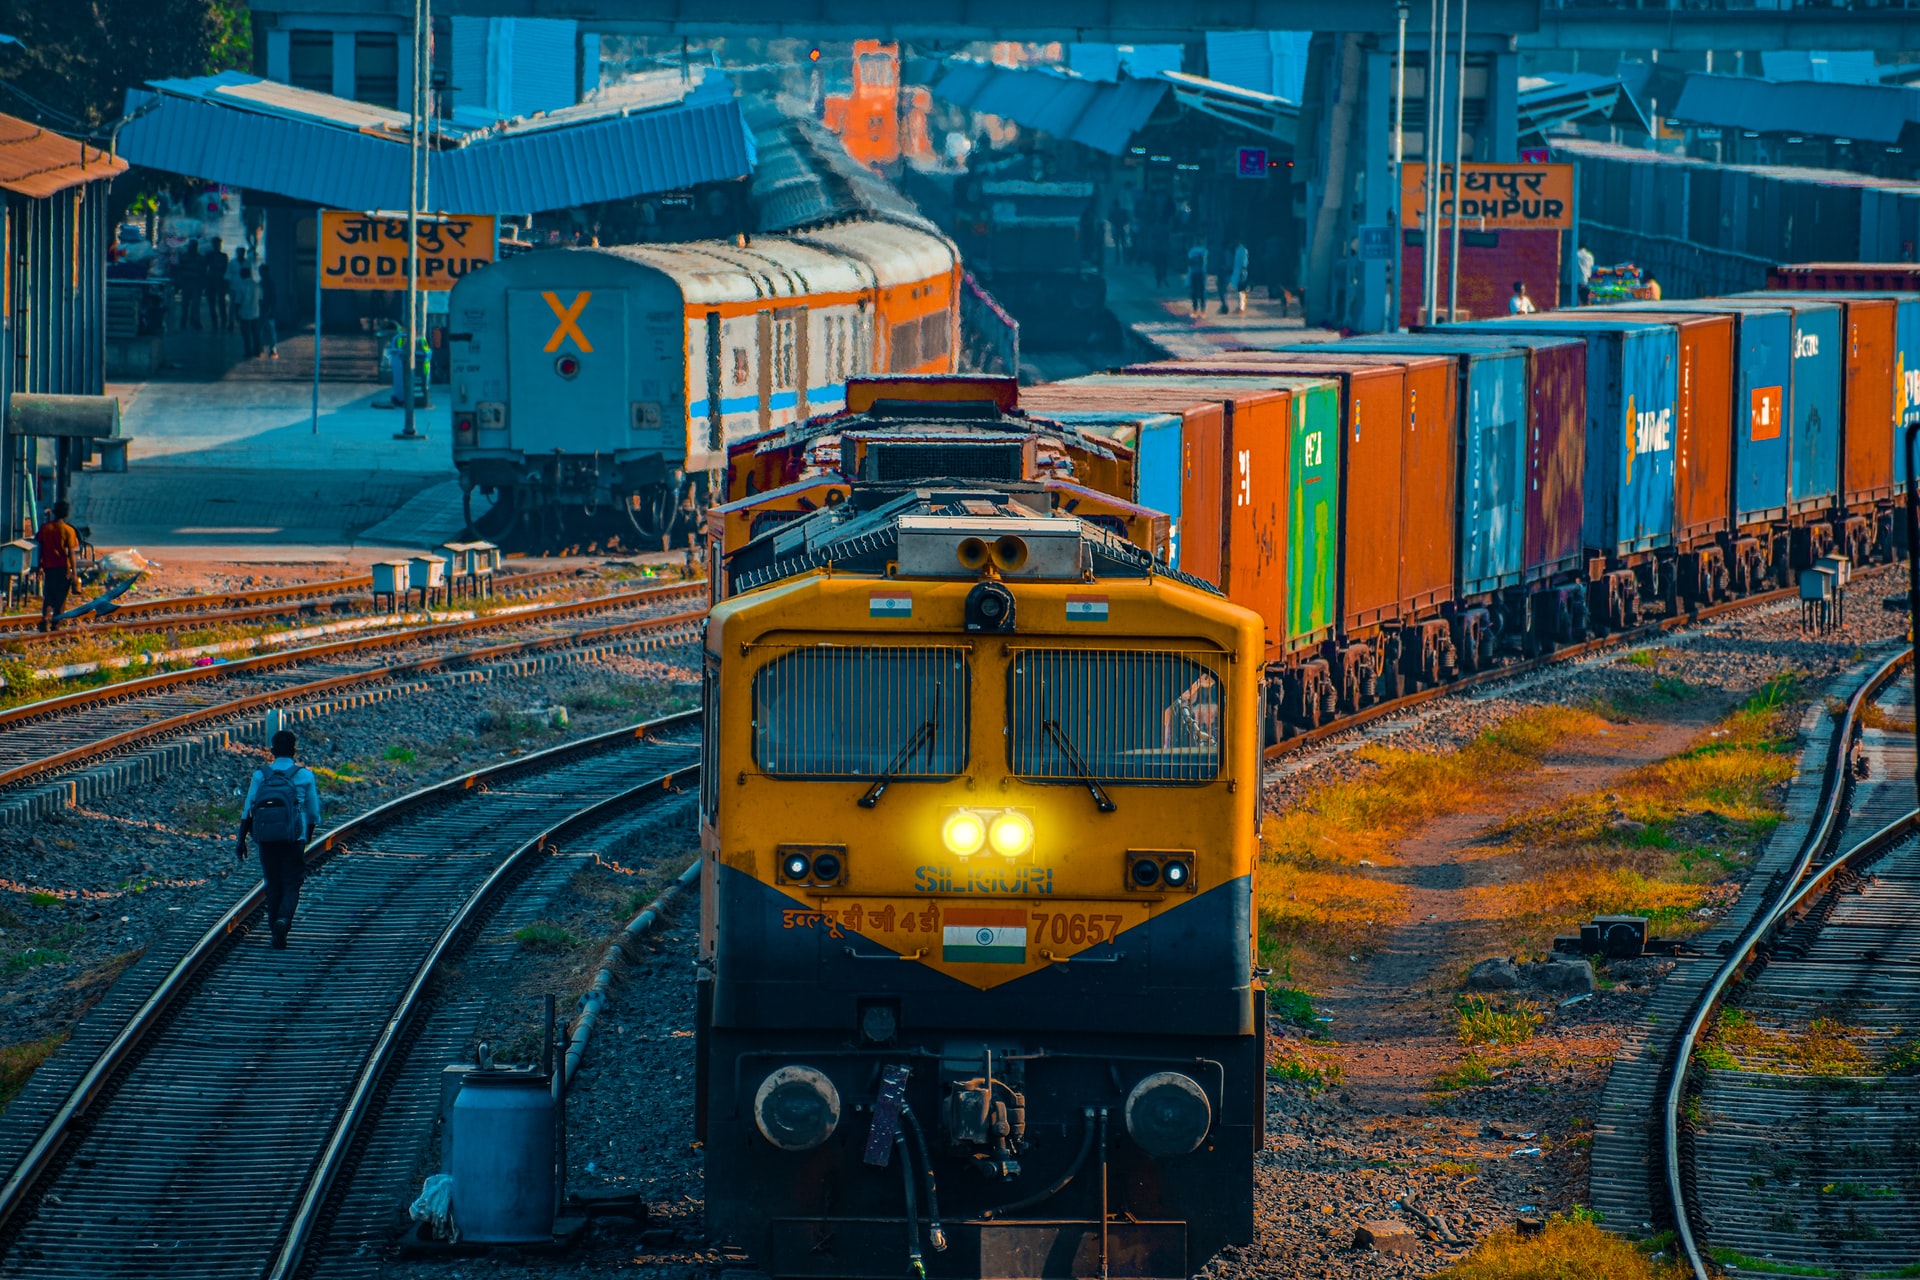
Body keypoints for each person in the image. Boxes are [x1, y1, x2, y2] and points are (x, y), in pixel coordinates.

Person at [239, 730, 321, 949]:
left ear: (272, 751)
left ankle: (273, 927)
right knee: (292, 883)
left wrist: (241, 840)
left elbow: (248, 809)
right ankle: (284, 920)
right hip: (294, 836)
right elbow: (312, 812)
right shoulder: (304, 776)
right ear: (294, 750)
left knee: (272, 883)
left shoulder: (261, 775)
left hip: (266, 837)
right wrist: (308, 835)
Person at [35, 501, 79, 633]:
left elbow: (40, 548)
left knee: (49, 595)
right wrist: (74, 572)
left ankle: (45, 619)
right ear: (66, 514)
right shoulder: (69, 530)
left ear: (54, 512)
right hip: (63, 568)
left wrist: (39, 567)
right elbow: (71, 553)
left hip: (49, 567)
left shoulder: (45, 528)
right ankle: (56, 624)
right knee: (61, 597)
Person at [233, 264, 262, 358]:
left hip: (244, 313)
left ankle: (248, 351)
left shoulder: (241, 285)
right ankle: (257, 351)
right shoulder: (256, 285)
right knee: (256, 334)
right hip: (255, 312)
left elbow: (238, 301)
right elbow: (261, 298)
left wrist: (236, 313)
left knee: (246, 335)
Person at [178, 241, 205, 330]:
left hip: (191, 284)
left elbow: (180, 271)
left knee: (190, 305)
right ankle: (191, 322)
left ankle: (187, 322)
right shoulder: (200, 258)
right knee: (191, 305)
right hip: (191, 284)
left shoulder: (185, 257)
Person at [206, 238, 231, 331]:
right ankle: (217, 322)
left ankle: (221, 321)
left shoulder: (222, 256)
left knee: (220, 303)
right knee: (215, 303)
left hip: (218, 282)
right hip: (214, 281)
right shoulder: (215, 256)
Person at [258, 265, 280, 358]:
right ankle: (265, 349)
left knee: (268, 330)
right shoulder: (263, 282)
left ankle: (270, 349)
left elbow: (273, 298)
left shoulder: (268, 283)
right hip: (263, 309)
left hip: (266, 309)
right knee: (265, 330)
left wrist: (272, 310)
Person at [1223, 241, 1250, 313]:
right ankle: (1240, 307)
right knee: (1239, 290)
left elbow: (1244, 261)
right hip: (1237, 272)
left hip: (1241, 272)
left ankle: (1241, 307)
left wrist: (1242, 271)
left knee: (1241, 290)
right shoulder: (1238, 250)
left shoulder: (1243, 250)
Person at [1186, 239, 1209, 318]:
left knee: (1195, 292)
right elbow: (1204, 261)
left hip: (1195, 273)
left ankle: (1197, 310)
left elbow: (1190, 262)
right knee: (1200, 292)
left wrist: (1194, 260)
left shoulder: (1192, 251)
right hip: (1201, 273)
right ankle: (1202, 311)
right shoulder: (1204, 250)